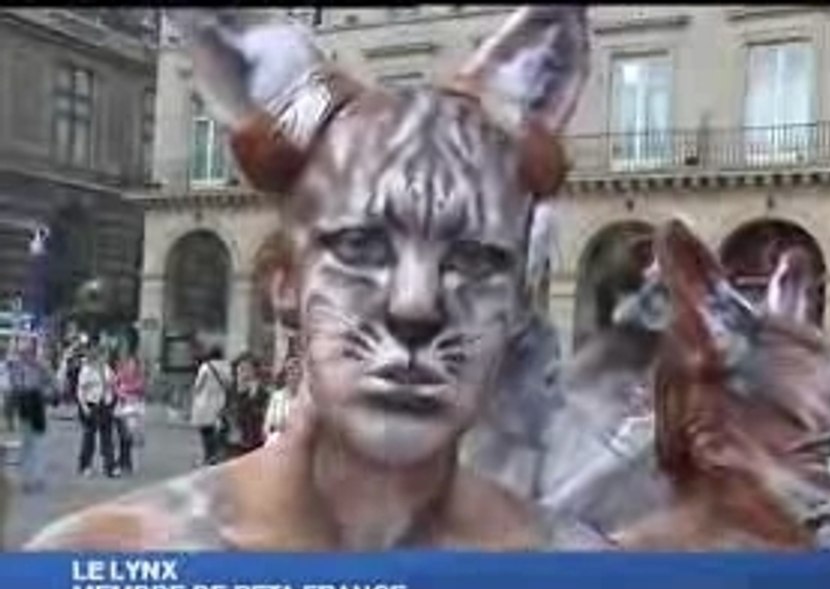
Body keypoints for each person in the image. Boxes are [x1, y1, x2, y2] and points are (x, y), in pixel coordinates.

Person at [24, 7, 607, 552]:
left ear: (516, 304)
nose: (415, 305)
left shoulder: (582, 584)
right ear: (284, 284)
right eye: (361, 246)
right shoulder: (103, 566)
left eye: (475, 261)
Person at [8, 335, 56, 493]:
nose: (25, 355)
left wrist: (47, 393)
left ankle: (36, 477)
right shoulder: (16, 367)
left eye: (28, 351)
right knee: (27, 444)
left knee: (38, 444)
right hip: (24, 405)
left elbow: (52, 383)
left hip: (37, 404)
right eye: (23, 352)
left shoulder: (41, 366)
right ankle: (27, 479)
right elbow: (13, 387)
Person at [76, 345, 118, 477]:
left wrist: (112, 398)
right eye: (102, 356)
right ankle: (85, 466)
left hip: (105, 404)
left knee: (107, 437)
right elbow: (80, 390)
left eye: (105, 356)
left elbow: (113, 383)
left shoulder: (106, 369)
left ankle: (109, 467)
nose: (104, 358)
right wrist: (84, 407)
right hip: (91, 404)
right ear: (96, 356)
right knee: (89, 437)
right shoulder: (87, 370)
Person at [189, 347, 231, 465]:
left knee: (205, 430)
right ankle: (214, 455)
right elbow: (229, 384)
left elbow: (198, 385)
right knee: (216, 429)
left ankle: (208, 455)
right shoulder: (226, 367)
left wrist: (194, 395)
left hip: (205, 402)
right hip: (220, 401)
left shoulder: (206, 367)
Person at [223, 353, 269, 458]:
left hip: (252, 442)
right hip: (232, 441)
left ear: (254, 372)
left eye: (248, 369)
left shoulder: (261, 393)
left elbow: (260, 416)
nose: (243, 372)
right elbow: (226, 410)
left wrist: (252, 396)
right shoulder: (231, 390)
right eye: (241, 368)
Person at [114, 351, 147, 475]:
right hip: (122, 408)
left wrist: (127, 390)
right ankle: (123, 461)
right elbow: (115, 385)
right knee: (123, 436)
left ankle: (125, 462)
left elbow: (141, 388)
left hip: (134, 409)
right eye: (129, 363)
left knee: (128, 437)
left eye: (133, 364)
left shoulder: (140, 376)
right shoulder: (122, 374)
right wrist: (121, 393)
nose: (131, 366)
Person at [263, 354, 301, 444]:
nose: (294, 376)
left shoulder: (309, 398)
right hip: (278, 444)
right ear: (285, 375)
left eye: (298, 372)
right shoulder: (277, 397)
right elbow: (267, 426)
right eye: (290, 371)